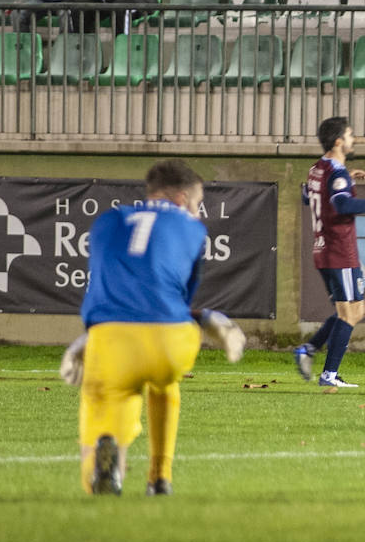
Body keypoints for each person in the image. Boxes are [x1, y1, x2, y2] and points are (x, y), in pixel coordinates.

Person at [68, 158, 245, 496]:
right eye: (197, 204)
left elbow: (105, 288)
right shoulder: (193, 229)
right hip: (169, 339)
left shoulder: (106, 222)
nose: (198, 212)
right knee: (164, 383)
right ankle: (160, 476)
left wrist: (86, 339)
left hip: (109, 335)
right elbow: (178, 299)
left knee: (105, 398)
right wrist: (210, 320)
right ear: (181, 199)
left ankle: (104, 464)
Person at [301, 117, 365, 388]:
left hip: (324, 249)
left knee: (351, 310)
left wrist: (346, 177)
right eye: (349, 135)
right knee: (351, 313)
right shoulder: (336, 173)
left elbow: (307, 196)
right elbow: (342, 206)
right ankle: (329, 374)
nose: (353, 139)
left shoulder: (318, 168)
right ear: (338, 141)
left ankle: (310, 350)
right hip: (339, 250)